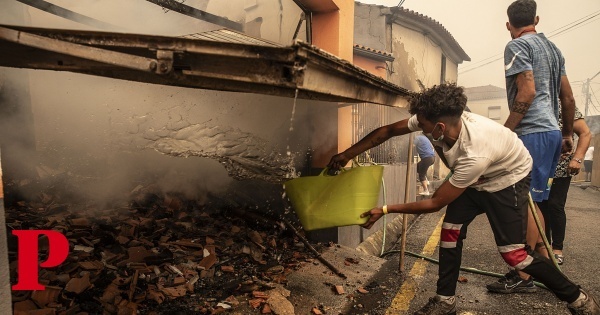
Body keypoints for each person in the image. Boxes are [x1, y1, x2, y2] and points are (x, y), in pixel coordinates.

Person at [328, 83, 599, 315]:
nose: (418, 128)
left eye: (422, 126)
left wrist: (385, 209)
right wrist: (347, 154)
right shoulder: (435, 121)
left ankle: (579, 299)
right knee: (450, 232)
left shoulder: (475, 151)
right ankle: (445, 301)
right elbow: (385, 132)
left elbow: (435, 202)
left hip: (506, 180)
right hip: (475, 179)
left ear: (440, 126)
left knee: (514, 255)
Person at [489, 0, 578, 293]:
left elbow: (527, 90)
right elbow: (568, 98)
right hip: (551, 130)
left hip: (532, 131)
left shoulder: (516, 46)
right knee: (534, 201)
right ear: (536, 19)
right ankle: (545, 270)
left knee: (522, 202)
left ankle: (524, 276)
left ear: (507, 25)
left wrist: (505, 132)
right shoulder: (554, 49)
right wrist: (566, 134)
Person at [539, 106, 591, 266]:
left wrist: (577, 158)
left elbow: (585, 133)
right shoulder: (535, 104)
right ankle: (543, 248)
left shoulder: (564, 105)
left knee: (555, 205)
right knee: (540, 207)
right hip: (538, 167)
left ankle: (557, 249)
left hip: (560, 168)